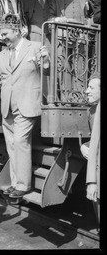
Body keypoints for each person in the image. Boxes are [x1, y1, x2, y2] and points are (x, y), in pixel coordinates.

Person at [0, 13, 50, 198]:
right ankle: (16, 183)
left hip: (27, 105)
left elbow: (47, 70)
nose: (3, 37)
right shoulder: (1, 55)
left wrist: (46, 61)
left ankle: (24, 185)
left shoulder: (35, 47)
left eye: (5, 33)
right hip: (7, 108)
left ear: (17, 31)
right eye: (1, 34)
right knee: (11, 145)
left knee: (20, 142)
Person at [80, 72, 100, 229]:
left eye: (91, 87)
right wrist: (84, 145)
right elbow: (95, 140)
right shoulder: (91, 112)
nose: (86, 91)